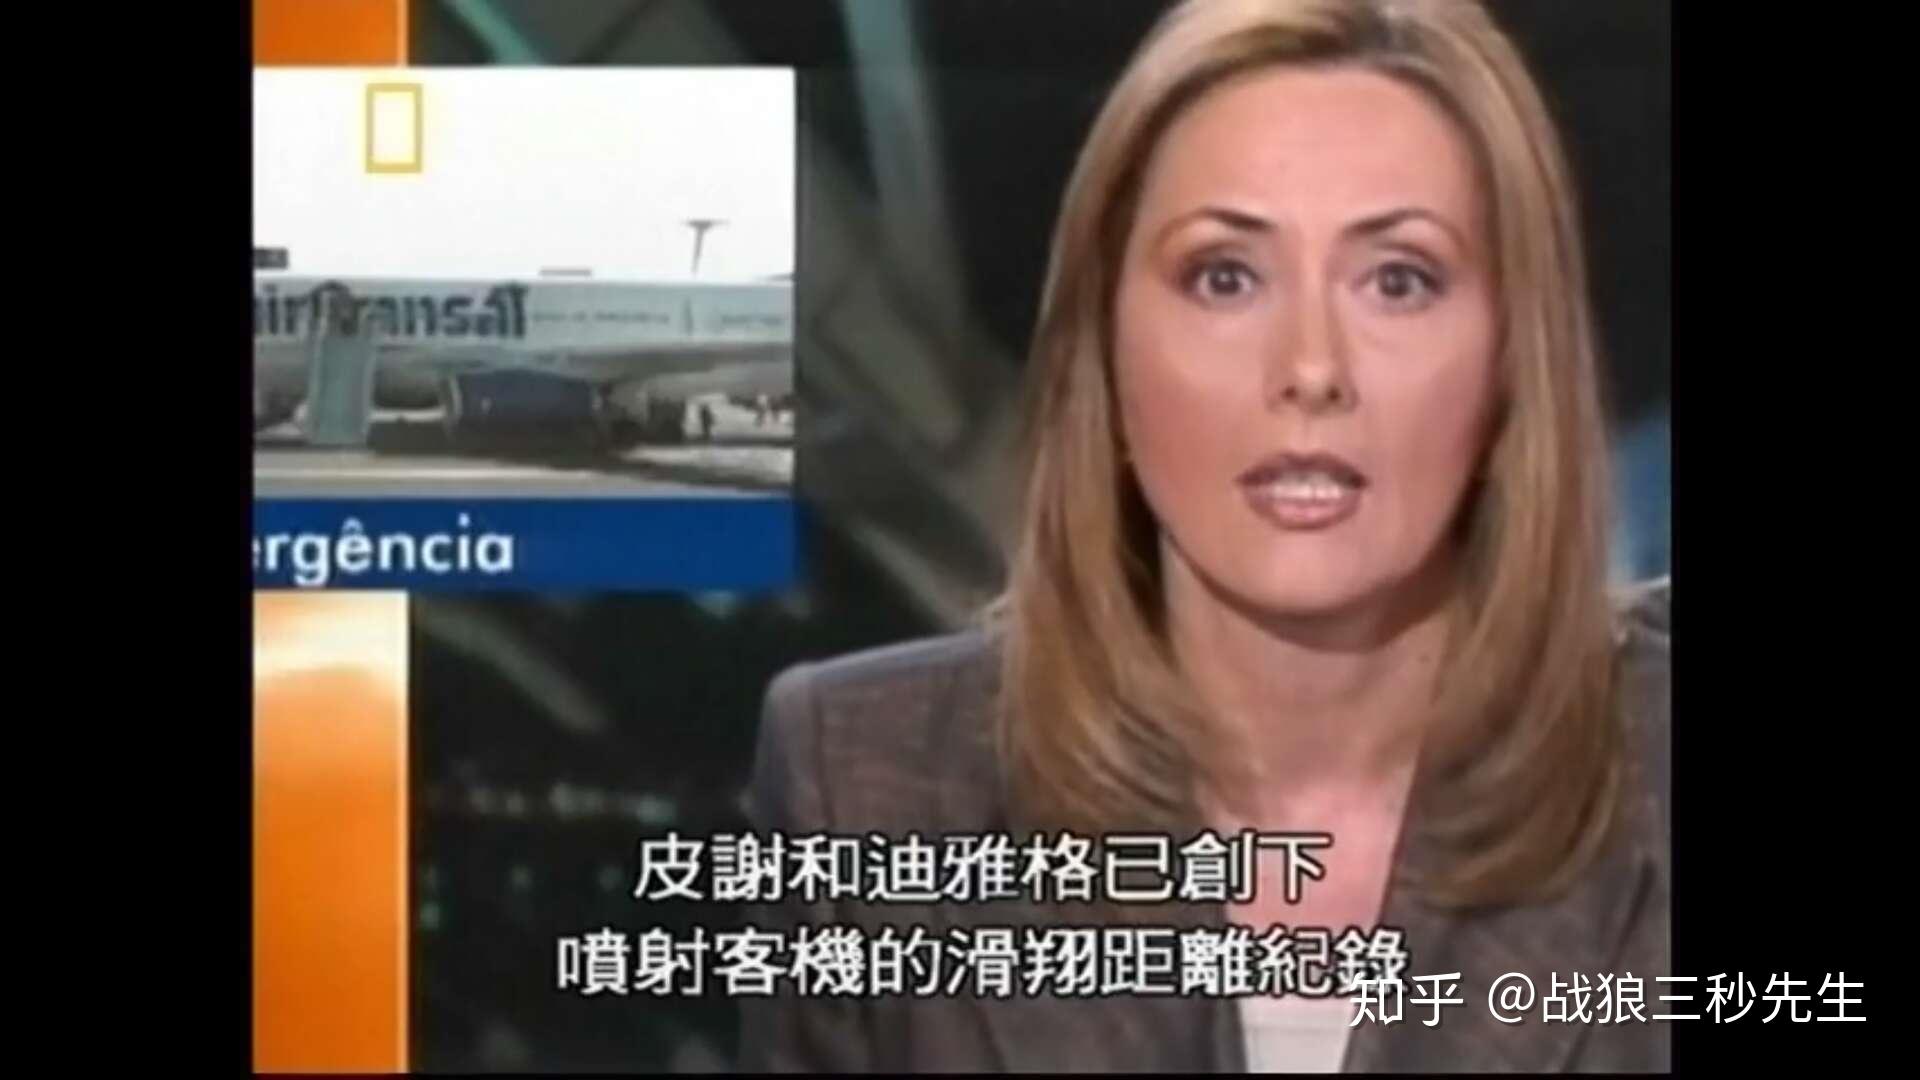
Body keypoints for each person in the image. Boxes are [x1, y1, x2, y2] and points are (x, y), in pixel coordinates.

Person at [743, 0, 1669, 1071]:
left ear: (1513, 362)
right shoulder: (862, 781)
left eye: (1399, 280)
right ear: (1106, 348)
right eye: (1225, 277)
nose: (1311, 367)